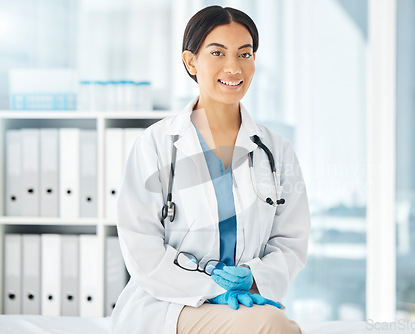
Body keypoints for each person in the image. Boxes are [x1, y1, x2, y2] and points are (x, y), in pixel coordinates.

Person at [111, 5, 311, 334]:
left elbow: (291, 242)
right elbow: (141, 245)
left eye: (244, 54)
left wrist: (255, 277)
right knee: (274, 327)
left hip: (244, 302)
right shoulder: (156, 144)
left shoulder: (276, 150)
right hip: (167, 304)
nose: (233, 67)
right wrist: (213, 291)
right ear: (191, 61)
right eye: (217, 52)